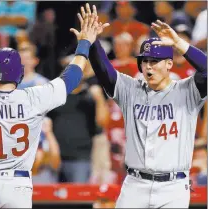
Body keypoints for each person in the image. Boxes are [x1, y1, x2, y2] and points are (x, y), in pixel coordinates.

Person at [74, 4, 207, 208]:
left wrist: (179, 43)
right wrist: (92, 42)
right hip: (135, 185)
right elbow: (104, 72)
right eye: (144, 61)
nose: (148, 66)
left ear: (169, 64)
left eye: (155, 61)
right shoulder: (131, 89)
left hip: (173, 187)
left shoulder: (186, 90)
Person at [0, 13, 108, 208]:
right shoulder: (33, 97)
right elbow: (71, 77)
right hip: (18, 185)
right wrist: (84, 44)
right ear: (19, 73)